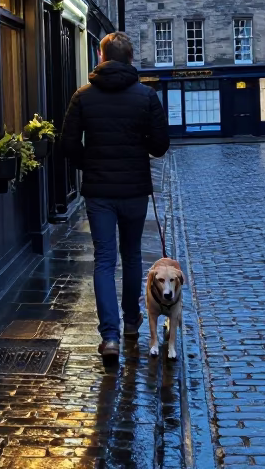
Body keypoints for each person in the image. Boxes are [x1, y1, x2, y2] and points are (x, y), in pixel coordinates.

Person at [61, 32, 170, 363]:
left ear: (100, 55)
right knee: (132, 254)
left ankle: (109, 337)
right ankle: (132, 324)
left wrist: (89, 164)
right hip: (135, 189)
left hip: (99, 192)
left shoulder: (83, 96)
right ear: (131, 58)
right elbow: (160, 145)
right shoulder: (146, 96)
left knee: (104, 259)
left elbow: (66, 144)